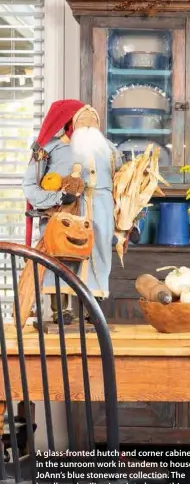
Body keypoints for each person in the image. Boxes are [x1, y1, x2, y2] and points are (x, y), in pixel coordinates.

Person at [23, 100, 122, 322]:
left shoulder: (110, 150)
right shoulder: (49, 149)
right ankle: (61, 310)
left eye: (92, 120)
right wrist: (57, 198)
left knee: (99, 255)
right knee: (62, 255)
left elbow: (124, 185)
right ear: (71, 122)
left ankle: (93, 310)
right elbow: (30, 185)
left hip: (101, 212)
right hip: (64, 213)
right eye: (82, 120)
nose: (88, 125)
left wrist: (126, 221)